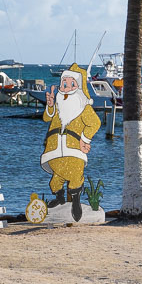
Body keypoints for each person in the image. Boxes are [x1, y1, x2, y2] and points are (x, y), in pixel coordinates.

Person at [41, 65, 102, 220]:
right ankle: (60, 198)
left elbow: (95, 123)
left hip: (73, 149)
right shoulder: (59, 105)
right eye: (64, 84)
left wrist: (84, 139)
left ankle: (75, 201)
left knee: (75, 175)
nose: (66, 88)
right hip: (54, 150)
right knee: (56, 179)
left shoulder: (83, 108)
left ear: (79, 87)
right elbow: (47, 118)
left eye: (71, 84)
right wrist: (49, 106)